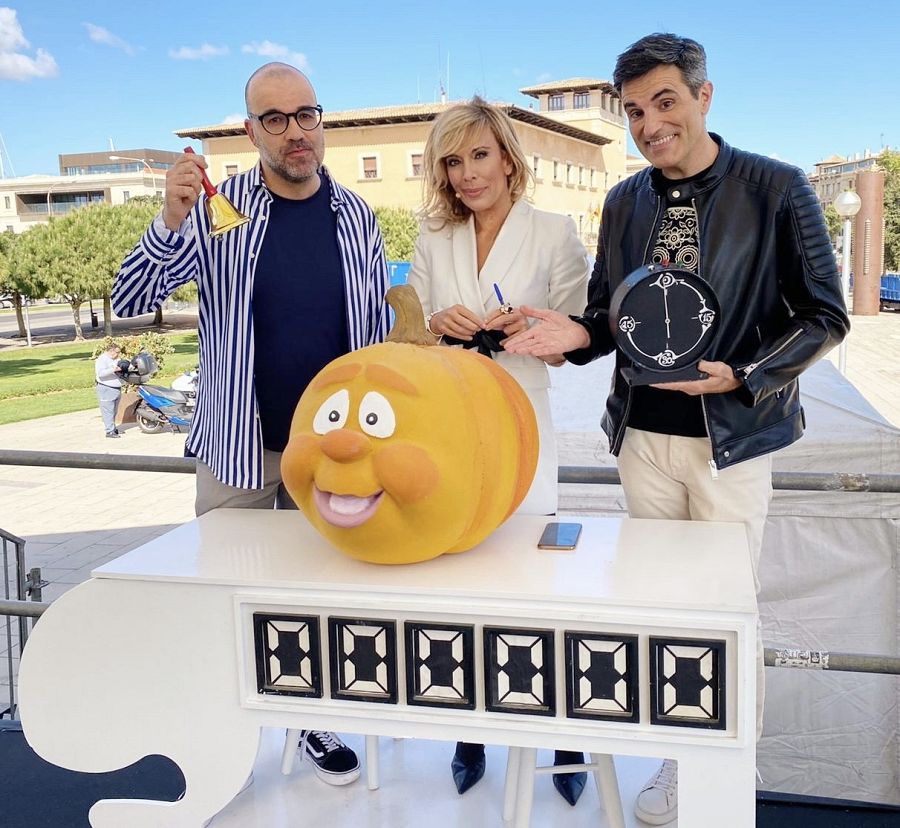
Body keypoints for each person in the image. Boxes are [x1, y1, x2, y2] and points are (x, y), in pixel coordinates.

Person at [504, 33, 849, 825]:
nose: (649, 125)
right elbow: (608, 316)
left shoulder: (778, 187)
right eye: (633, 111)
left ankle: (726, 776)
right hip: (643, 441)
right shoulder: (624, 202)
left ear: (704, 96)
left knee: (730, 614)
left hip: (731, 441)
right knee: (666, 618)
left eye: (665, 102)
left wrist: (749, 376)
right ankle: (676, 761)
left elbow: (825, 315)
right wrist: (572, 336)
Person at [112, 62, 390, 788]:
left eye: (307, 114)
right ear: (250, 131)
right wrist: (171, 219)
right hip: (236, 445)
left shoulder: (357, 216)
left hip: (329, 454)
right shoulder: (215, 207)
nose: (296, 132)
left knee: (315, 599)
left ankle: (309, 719)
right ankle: (218, 740)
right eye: (276, 119)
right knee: (224, 599)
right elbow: (130, 300)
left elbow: (372, 335)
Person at [405, 97, 590, 805]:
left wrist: (541, 325)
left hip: (524, 423)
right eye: (452, 162)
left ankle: (566, 729)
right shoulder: (432, 235)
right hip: (451, 425)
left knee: (538, 581)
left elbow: (579, 336)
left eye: (478, 155)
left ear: (508, 158)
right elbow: (408, 329)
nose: (467, 174)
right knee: (465, 576)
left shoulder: (554, 232)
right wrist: (434, 324)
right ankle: (471, 729)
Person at [94, 343, 124, 438]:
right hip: (106, 388)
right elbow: (101, 373)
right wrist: (113, 369)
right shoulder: (102, 359)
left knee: (114, 410)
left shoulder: (116, 359)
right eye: (117, 352)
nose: (118, 354)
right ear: (111, 351)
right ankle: (109, 431)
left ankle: (113, 428)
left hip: (116, 388)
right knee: (108, 410)